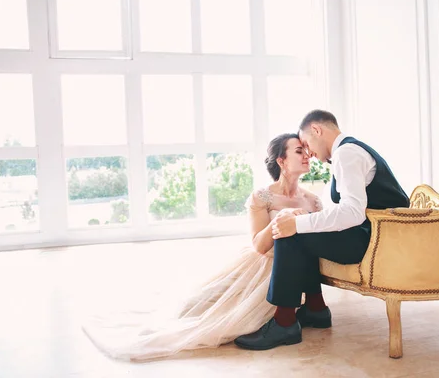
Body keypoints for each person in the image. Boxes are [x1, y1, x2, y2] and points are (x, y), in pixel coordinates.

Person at [82, 133, 322, 361]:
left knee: (240, 320)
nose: (306, 156)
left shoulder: (312, 200)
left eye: (307, 151)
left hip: (288, 272)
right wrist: (284, 219)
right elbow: (258, 245)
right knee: (198, 309)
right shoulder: (263, 197)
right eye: (299, 151)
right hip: (259, 265)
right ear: (281, 160)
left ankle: (298, 315)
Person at [234, 110, 410, 351]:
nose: (310, 155)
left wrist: (297, 223)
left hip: (375, 240)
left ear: (317, 130)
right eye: (301, 150)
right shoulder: (351, 150)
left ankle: (284, 322)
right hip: (379, 236)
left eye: (306, 145)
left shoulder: (346, 153)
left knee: (292, 231)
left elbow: (352, 213)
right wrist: (302, 222)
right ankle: (316, 310)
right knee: (299, 229)